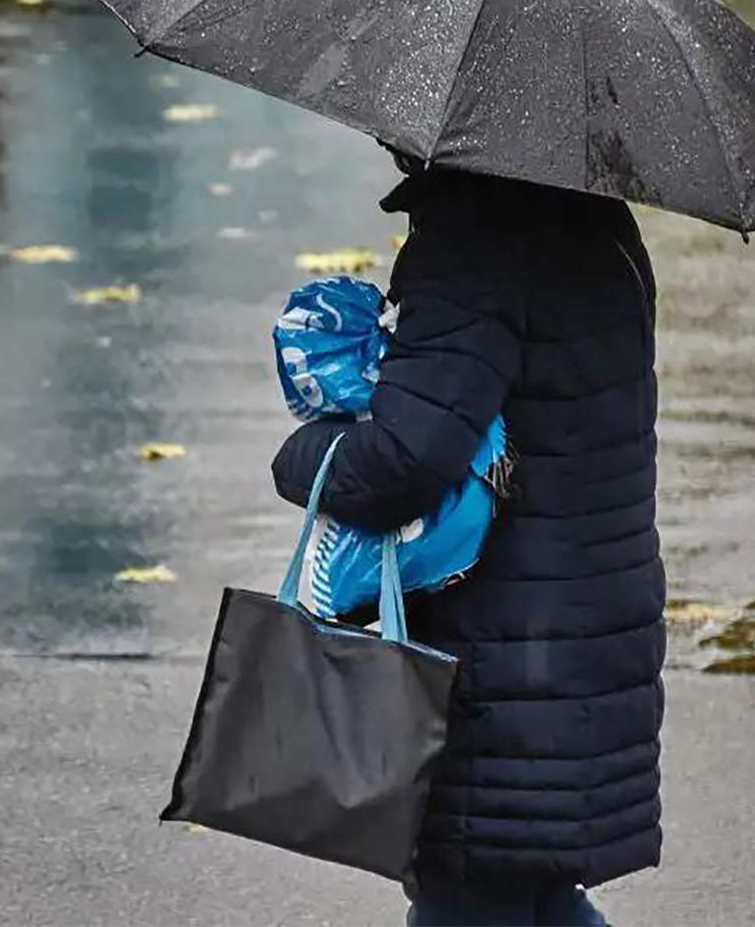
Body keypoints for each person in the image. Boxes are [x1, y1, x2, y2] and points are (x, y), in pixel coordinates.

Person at [271, 147, 663, 927]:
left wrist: (302, 457)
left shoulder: (475, 242)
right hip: (583, 638)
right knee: (531, 894)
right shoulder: (596, 222)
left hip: (502, 663)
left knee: (472, 892)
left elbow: (401, 463)